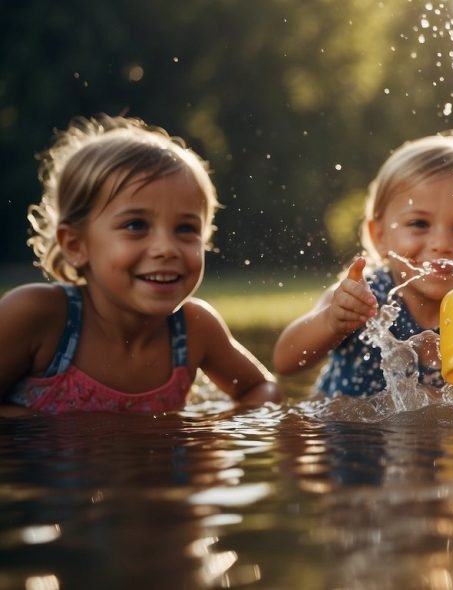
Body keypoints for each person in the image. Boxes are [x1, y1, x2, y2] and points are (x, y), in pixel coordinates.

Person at [0, 115, 280, 414]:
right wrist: (30, 427)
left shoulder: (194, 329)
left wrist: (213, 435)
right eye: (136, 225)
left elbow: (261, 388)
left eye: (186, 229)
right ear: (76, 245)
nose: (166, 248)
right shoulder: (40, 317)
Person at [273, 134, 453, 397]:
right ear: (378, 236)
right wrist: (331, 322)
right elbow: (285, 363)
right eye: (419, 224)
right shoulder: (362, 297)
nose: (441, 243)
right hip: (346, 435)